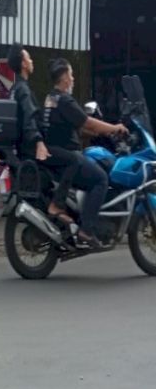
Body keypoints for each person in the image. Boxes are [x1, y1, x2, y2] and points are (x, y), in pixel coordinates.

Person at [42, 58, 128, 248]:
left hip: (56, 155)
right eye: (71, 75)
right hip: (66, 157)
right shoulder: (65, 100)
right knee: (101, 179)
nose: (73, 79)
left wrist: (99, 131)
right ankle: (86, 230)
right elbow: (86, 122)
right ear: (64, 78)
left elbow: (77, 127)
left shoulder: (51, 98)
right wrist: (114, 128)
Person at [6, 43, 79, 224]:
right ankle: (57, 205)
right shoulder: (23, 89)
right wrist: (38, 141)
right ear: (23, 64)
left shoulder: (15, 89)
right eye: (29, 58)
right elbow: (30, 118)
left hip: (23, 148)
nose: (32, 61)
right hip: (31, 148)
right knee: (73, 160)